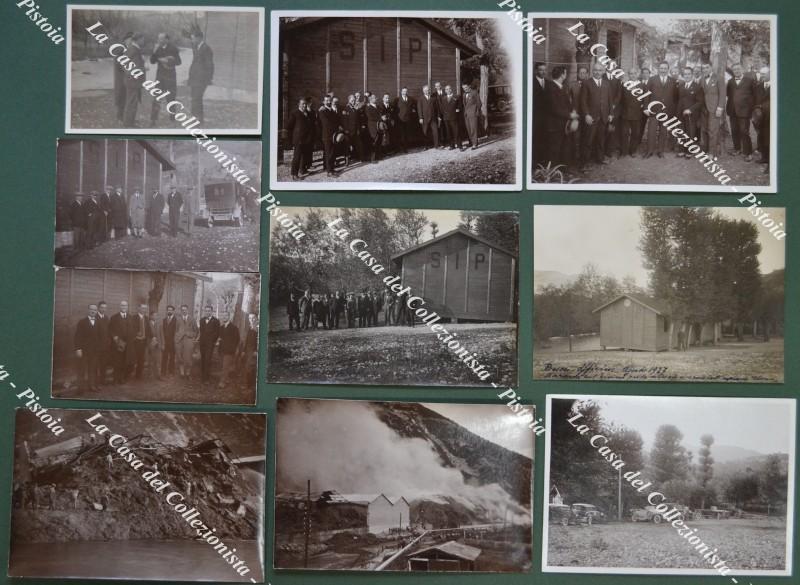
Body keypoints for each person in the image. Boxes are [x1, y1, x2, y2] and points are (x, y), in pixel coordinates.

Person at [580, 63, 614, 168]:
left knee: (601, 140)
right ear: (592, 71)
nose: (597, 72)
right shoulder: (586, 83)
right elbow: (583, 101)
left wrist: (611, 114)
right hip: (591, 118)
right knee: (588, 141)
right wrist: (586, 115)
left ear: (603, 71)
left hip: (603, 117)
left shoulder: (606, 84)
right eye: (595, 70)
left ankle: (600, 159)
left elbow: (610, 100)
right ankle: (584, 164)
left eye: (600, 70)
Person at [644, 61, 678, 158]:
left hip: (666, 111)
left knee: (663, 132)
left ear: (668, 69)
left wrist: (672, 110)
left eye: (665, 68)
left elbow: (675, 97)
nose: (663, 70)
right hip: (653, 110)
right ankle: (649, 151)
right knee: (651, 131)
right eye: (661, 68)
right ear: (659, 69)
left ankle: (660, 151)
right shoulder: (652, 79)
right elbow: (646, 95)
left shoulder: (673, 81)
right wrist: (646, 108)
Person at [545, 66, 575, 169]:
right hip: (554, 125)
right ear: (562, 75)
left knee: (564, 147)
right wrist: (570, 115)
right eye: (565, 73)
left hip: (564, 124)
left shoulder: (562, 87)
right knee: (554, 149)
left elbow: (567, 103)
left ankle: (563, 170)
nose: (566, 75)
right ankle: (552, 172)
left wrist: (572, 110)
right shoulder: (551, 88)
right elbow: (554, 108)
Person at [149, 32, 182, 124]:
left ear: (166, 40)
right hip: (159, 77)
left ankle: (172, 118)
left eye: (161, 39)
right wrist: (154, 52)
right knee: (156, 98)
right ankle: (153, 120)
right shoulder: (157, 48)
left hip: (170, 77)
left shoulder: (173, 48)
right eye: (158, 38)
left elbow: (179, 62)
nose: (159, 40)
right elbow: (152, 61)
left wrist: (169, 60)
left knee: (171, 98)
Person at [726, 63, 756, 161]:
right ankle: (737, 149)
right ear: (733, 71)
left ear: (742, 69)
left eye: (738, 69)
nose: (737, 71)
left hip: (745, 111)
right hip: (732, 111)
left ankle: (748, 152)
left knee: (744, 131)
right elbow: (728, 95)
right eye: (735, 70)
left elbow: (754, 96)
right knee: (734, 131)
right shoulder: (730, 82)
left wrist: (751, 109)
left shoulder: (750, 81)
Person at [676, 66, 704, 158]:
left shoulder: (697, 87)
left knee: (690, 132)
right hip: (681, 114)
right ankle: (681, 150)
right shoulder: (681, 86)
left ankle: (689, 151)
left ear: (692, 75)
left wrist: (690, 109)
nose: (687, 76)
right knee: (681, 132)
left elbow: (700, 102)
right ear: (683, 75)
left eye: (688, 74)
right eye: (685, 74)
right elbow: (679, 100)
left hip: (691, 115)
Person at [188, 31, 214, 125]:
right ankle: (196, 118)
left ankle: (198, 119)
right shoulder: (196, 47)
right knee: (195, 98)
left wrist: (208, 79)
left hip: (201, 79)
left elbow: (210, 65)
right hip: (194, 78)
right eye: (191, 38)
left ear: (199, 38)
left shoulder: (206, 48)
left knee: (197, 98)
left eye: (193, 38)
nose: (192, 40)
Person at [74, 303, 100, 391]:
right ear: (88, 310)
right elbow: (77, 336)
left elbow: (100, 336)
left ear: (97, 311)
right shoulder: (82, 322)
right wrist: (78, 349)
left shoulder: (98, 322)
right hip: (84, 351)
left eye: (95, 310)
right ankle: (80, 388)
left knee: (92, 370)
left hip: (94, 351)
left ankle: (91, 386)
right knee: (82, 370)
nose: (93, 311)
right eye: (91, 309)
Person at [286, 98, 314, 180]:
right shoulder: (294, 113)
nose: (304, 105)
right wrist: (291, 140)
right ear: (299, 104)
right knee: (297, 157)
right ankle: (294, 174)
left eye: (305, 104)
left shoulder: (308, 113)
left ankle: (302, 170)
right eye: (302, 104)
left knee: (304, 156)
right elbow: (289, 127)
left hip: (307, 139)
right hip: (298, 140)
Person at [122, 33, 145, 127]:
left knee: (132, 102)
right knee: (131, 102)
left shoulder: (133, 49)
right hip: (133, 81)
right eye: (142, 39)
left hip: (131, 80)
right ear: (138, 39)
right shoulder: (133, 49)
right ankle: (128, 124)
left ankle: (130, 121)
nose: (144, 41)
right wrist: (143, 69)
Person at [619, 69, 643, 157]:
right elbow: (620, 99)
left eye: (634, 73)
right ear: (628, 75)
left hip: (637, 114)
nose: (632, 75)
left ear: (637, 74)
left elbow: (644, 99)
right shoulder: (624, 85)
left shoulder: (642, 85)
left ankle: (633, 151)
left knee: (635, 133)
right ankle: (623, 151)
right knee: (624, 133)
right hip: (626, 113)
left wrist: (642, 107)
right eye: (630, 74)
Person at [569, 66, 589, 167]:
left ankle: (584, 160)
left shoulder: (590, 84)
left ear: (587, 74)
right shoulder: (572, 85)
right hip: (576, 115)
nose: (582, 74)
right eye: (580, 73)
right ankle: (574, 159)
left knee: (586, 138)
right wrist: (572, 112)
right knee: (575, 137)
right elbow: (568, 99)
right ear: (577, 74)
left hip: (586, 116)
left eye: (584, 73)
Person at [109, 300, 132, 384]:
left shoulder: (130, 317)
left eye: (125, 306)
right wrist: (114, 336)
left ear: (127, 307)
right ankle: (115, 379)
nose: (124, 307)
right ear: (120, 306)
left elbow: (132, 330)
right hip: (118, 344)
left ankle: (121, 379)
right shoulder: (114, 317)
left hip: (127, 344)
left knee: (124, 362)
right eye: (122, 305)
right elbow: (110, 329)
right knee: (117, 362)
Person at [318, 94, 341, 176]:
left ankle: (331, 169)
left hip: (333, 135)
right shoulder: (322, 111)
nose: (328, 102)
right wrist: (335, 126)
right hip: (327, 135)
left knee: (332, 153)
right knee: (328, 153)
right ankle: (329, 171)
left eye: (329, 100)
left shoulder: (331, 110)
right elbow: (326, 123)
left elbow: (337, 120)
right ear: (323, 102)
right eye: (326, 100)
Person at [532, 61, 549, 166]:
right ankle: (536, 161)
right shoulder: (531, 83)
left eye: (544, 70)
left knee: (545, 138)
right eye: (540, 70)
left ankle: (544, 159)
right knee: (537, 138)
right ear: (536, 71)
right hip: (536, 116)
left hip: (547, 117)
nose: (543, 72)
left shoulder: (549, 83)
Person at [114, 32, 133, 122]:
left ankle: (126, 117)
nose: (131, 41)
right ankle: (119, 117)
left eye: (132, 40)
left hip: (128, 76)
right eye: (129, 39)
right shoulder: (120, 49)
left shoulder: (130, 49)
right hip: (121, 77)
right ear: (125, 40)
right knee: (121, 95)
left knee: (127, 96)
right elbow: (118, 64)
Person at [217, 311, 239, 389]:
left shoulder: (234, 328)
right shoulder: (221, 328)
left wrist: (232, 349)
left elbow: (236, 340)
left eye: (226, 316)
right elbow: (220, 338)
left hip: (229, 351)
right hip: (221, 350)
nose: (224, 317)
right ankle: (226, 379)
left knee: (225, 367)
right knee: (222, 366)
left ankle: (222, 382)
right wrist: (219, 341)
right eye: (223, 316)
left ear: (229, 317)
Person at [198, 305, 220, 385]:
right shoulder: (202, 320)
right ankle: (202, 376)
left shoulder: (216, 321)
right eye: (206, 310)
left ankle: (206, 378)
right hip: (202, 344)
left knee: (208, 360)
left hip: (210, 344)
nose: (207, 312)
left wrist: (211, 340)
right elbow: (201, 331)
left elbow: (217, 333)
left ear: (211, 311)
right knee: (203, 359)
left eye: (209, 311)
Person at [754, 66, 770, 167]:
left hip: (770, 117)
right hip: (760, 117)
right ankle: (764, 157)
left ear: (770, 74)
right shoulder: (759, 86)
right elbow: (755, 100)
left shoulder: (777, 85)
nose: (762, 75)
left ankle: (770, 159)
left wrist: (762, 107)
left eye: (764, 73)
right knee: (761, 136)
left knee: (769, 137)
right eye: (761, 73)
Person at [176, 304, 198, 379]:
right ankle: (182, 373)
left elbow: (196, 331)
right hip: (179, 341)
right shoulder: (178, 319)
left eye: (185, 309)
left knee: (188, 358)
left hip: (188, 340)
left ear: (187, 310)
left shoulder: (192, 319)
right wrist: (177, 338)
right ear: (181, 311)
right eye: (182, 310)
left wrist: (189, 334)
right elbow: (175, 331)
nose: (184, 311)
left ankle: (188, 373)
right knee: (180, 357)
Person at [130, 303, 150, 380]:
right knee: (133, 358)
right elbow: (131, 329)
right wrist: (136, 333)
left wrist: (152, 337)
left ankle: (138, 375)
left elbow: (148, 330)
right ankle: (129, 373)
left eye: (145, 308)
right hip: (135, 341)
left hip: (143, 342)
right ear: (139, 308)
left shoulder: (146, 318)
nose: (144, 310)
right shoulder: (133, 318)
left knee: (141, 359)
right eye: (142, 308)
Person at [342, 94, 364, 163]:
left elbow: (357, 121)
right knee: (347, 146)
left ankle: (360, 158)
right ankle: (347, 160)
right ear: (349, 100)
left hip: (355, 130)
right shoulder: (345, 109)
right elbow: (344, 121)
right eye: (352, 100)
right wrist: (346, 130)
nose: (353, 102)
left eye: (354, 100)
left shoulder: (355, 109)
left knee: (359, 144)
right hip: (348, 131)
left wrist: (358, 129)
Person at [395, 87, 417, 153]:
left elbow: (415, 105)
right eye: (403, 91)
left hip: (408, 119)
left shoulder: (410, 99)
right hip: (400, 119)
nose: (405, 92)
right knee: (401, 134)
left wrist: (413, 110)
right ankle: (400, 148)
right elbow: (394, 109)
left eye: (406, 91)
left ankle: (405, 148)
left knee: (407, 134)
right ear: (401, 92)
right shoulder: (397, 99)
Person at [418, 85, 440, 150]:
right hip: (424, 119)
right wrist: (420, 118)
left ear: (429, 91)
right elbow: (419, 109)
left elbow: (437, 108)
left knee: (435, 132)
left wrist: (438, 116)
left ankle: (436, 145)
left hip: (433, 118)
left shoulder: (433, 98)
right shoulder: (420, 99)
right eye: (425, 90)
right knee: (425, 132)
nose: (427, 91)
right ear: (423, 91)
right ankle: (425, 146)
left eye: (428, 90)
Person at [439, 85, 461, 150]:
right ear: (445, 91)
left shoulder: (456, 97)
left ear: (451, 89)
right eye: (446, 89)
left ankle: (460, 146)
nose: (448, 90)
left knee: (456, 132)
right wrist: (443, 114)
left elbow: (459, 106)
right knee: (449, 133)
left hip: (454, 117)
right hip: (446, 118)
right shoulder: (443, 98)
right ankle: (452, 145)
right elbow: (442, 108)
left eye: (449, 89)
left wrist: (458, 109)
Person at [239, 313, 258, 386]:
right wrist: (243, 351)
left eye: (253, 318)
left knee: (249, 367)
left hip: (253, 350)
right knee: (245, 366)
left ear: (256, 318)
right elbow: (246, 341)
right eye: (250, 318)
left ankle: (248, 384)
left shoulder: (258, 328)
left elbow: (259, 340)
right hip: (247, 350)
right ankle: (247, 383)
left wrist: (256, 350)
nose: (251, 320)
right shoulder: (249, 328)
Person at [461, 83, 482, 150]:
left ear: (469, 86)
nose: (465, 89)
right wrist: (465, 113)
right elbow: (464, 104)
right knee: (469, 129)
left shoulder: (474, 92)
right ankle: (472, 142)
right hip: (466, 114)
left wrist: (477, 111)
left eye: (466, 87)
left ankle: (475, 144)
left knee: (473, 129)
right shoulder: (464, 94)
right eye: (463, 88)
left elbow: (479, 103)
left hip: (473, 114)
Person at [95, 300, 111, 385]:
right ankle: (95, 382)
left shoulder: (106, 318)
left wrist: (108, 341)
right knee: (95, 365)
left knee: (103, 364)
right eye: (102, 307)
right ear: (98, 308)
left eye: (105, 308)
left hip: (105, 347)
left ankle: (102, 380)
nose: (103, 309)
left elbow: (109, 331)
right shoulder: (95, 317)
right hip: (96, 347)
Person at [365, 94, 383, 162]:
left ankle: (378, 156)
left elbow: (381, 113)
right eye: (375, 98)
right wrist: (380, 118)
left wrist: (383, 117)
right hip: (372, 127)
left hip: (379, 126)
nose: (376, 99)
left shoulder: (378, 107)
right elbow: (370, 117)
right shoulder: (368, 108)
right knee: (374, 142)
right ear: (371, 100)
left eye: (376, 98)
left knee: (379, 141)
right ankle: (372, 158)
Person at [147, 311, 164, 381]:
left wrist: (163, 344)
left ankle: (159, 375)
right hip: (151, 345)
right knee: (151, 360)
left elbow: (162, 335)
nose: (155, 317)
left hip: (158, 345)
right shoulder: (147, 324)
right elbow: (147, 335)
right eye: (154, 315)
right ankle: (150, 375)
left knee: (159, 361)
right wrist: (150, 342)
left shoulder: (159, 324)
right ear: (151, 316)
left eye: (156, 315)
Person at [161, 305, 177, 377]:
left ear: (173, 311)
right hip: (165, 342)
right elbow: (162, 331)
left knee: (172, 357)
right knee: (164, 357)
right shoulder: (164, 320)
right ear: (166, 311)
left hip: (173, 342)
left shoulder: (176, 320)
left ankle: (171, 371)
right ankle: (163, 371)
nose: (169, 311)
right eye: (168, 310)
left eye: (171, 310)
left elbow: (177, 331)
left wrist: (175, 341)